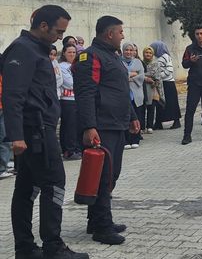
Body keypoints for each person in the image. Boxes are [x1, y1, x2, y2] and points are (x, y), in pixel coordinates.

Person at [2, 5, 89, 258]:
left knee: (28, 187)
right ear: (43, 26)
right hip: (35, 132)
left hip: (40, 129)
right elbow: (13, 96)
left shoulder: (36, 50)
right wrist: (16, 135)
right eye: (58, 31)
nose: (61, 37)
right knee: (54, 183)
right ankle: (53, 246)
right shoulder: (23, 49)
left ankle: (26, 248)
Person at [74, 15, 140, 245]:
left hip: (117, 123)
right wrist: (89, 126)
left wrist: (132, 116)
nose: (123, 36)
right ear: (109, 34)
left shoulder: (113, 56)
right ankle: (102, 227)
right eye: (120, 32)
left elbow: (121, 90)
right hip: (101, 126)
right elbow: (86, 93)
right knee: (102, 176)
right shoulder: (89, 56)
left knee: (111, 174)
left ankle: (97, 220)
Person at [151, 41, 182, 130]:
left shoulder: (165, 57)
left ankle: (176, 121)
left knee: (172, 103)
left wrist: (159, 76)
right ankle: (159, 122)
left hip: (168, 83)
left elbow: (169, 70)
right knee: (160, 103)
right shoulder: (157, 58)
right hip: (161, 84)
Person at [58, 44, 82, 160]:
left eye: (74, 52)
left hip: (77, 99)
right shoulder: (62, 66)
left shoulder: (78, 65)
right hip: (67, 100)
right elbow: (69, 83)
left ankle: (77, 148)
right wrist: (80, 83)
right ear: (64, 53)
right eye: (69, 52)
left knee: (77, 126)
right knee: (69, 126)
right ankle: (69, 150)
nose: (72, 54)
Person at [122, 42, 145, 149]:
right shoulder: (119, 62)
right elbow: (120, 77)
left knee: (137, 116)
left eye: (131, 50)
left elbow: (141, 76)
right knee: (125, 117)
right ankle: (126, 140)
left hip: (137, 94)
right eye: (126, 50)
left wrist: (129, 77)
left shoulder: (138, 62)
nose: (129, 52)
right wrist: (132, 74)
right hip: (124, 94)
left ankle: (135, 138)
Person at [141, 46, 164, 134]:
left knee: (151, 107)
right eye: (146, 52)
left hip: (152, 88)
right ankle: (142, 126)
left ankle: (150, 126)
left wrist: (153, 81)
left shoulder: (156, 64)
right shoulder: (140, 63)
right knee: (142, 108)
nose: (148, 54)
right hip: (142, 88)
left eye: (150, 53)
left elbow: (158, 76)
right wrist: (145, 77)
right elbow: (139, 73)